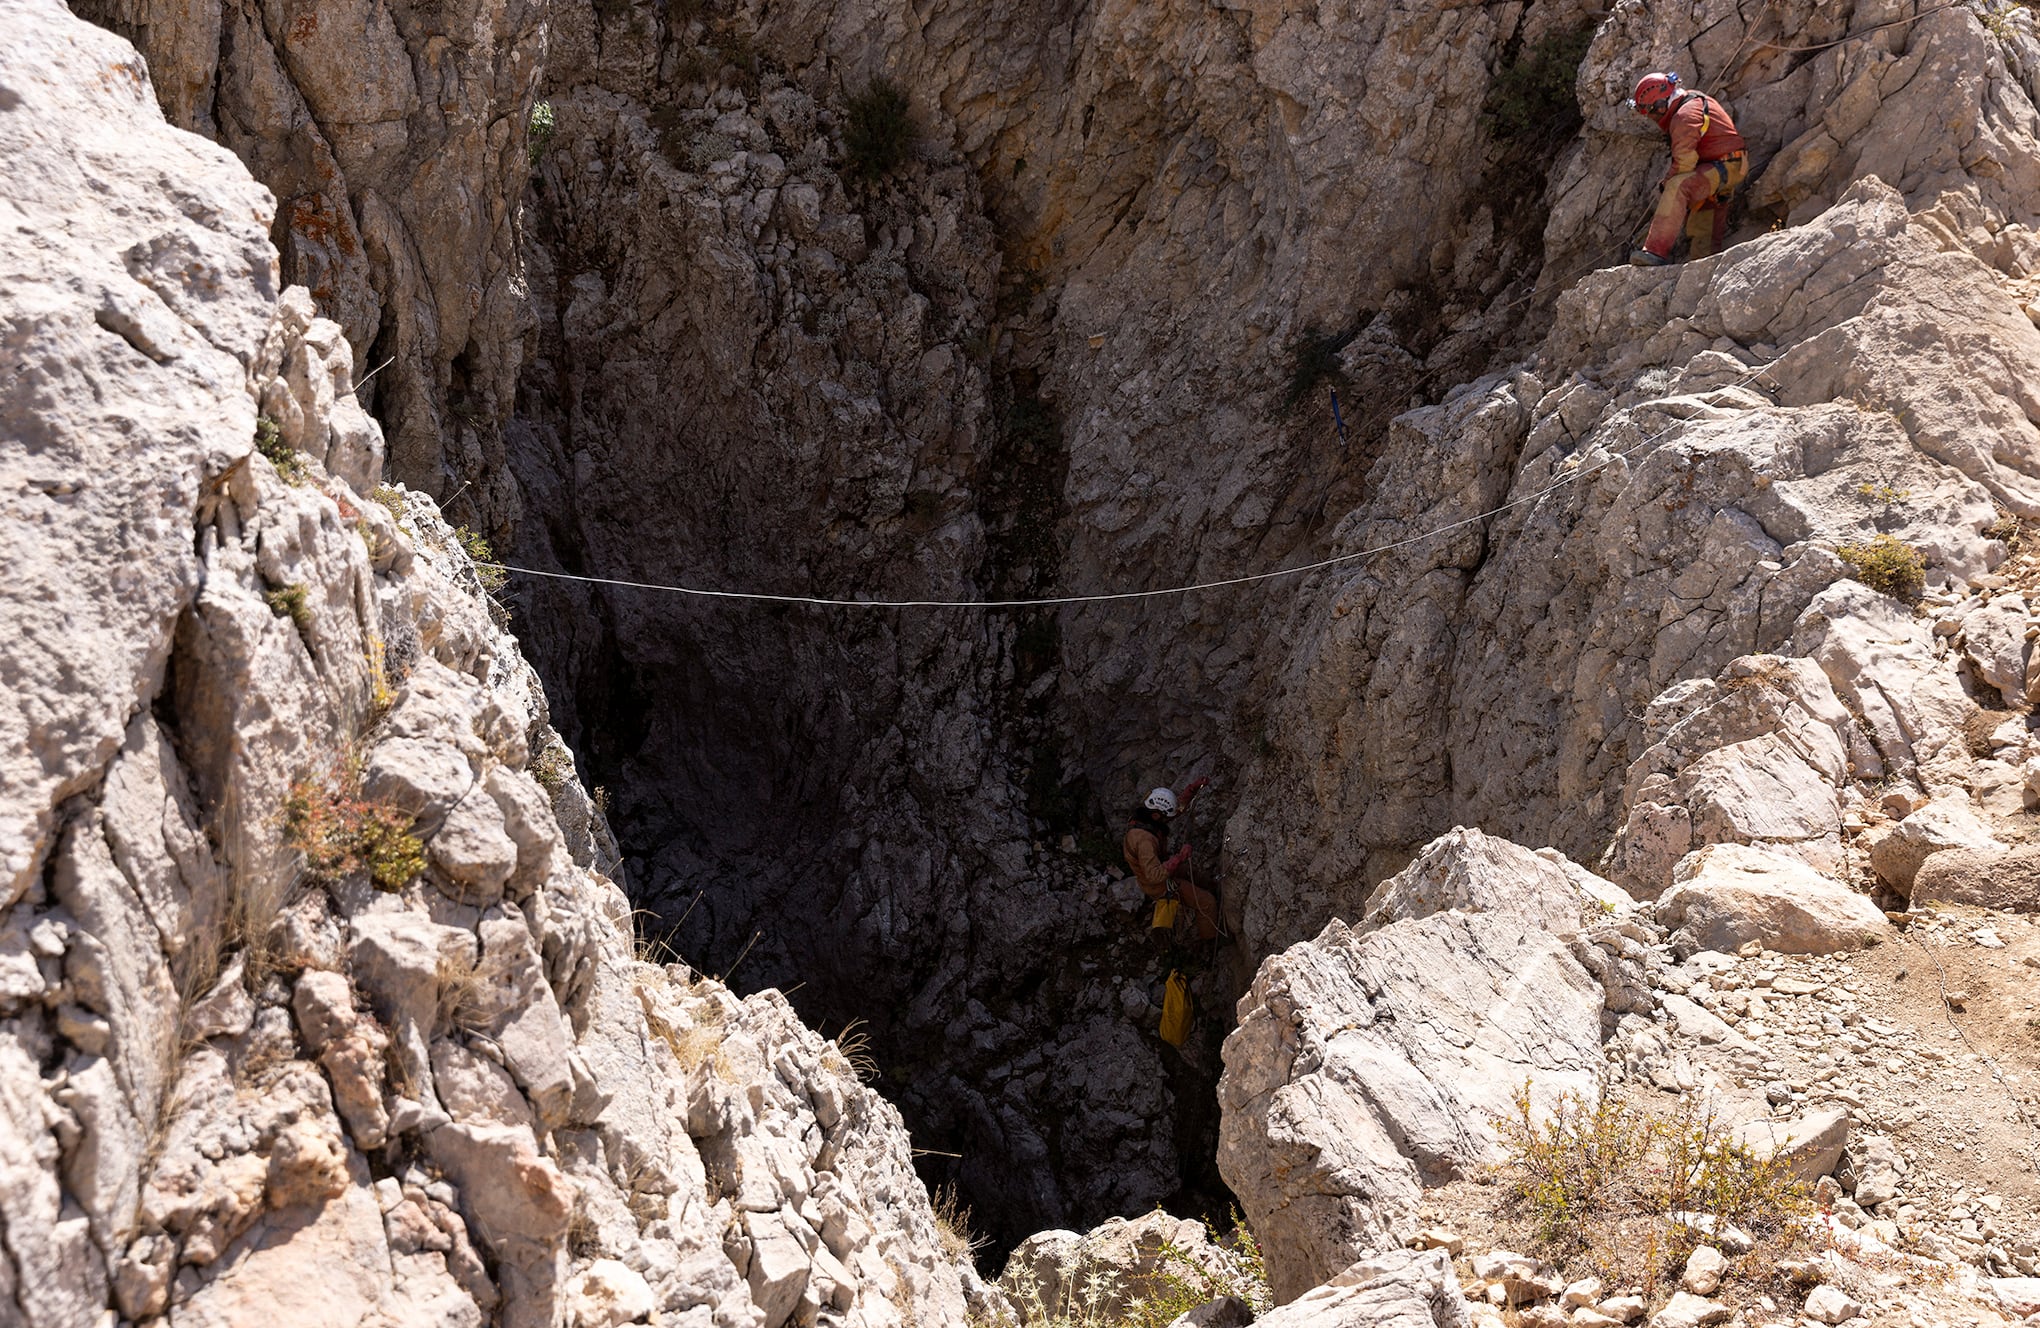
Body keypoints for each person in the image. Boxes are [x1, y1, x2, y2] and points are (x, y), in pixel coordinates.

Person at [1627, 72, 1748, 267]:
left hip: (1726, 166)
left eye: (1651, 113)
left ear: (1660, 105)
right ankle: (1705, 267)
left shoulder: (1684, 115)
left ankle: (1655, 251)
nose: (1651, 118)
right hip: (1723, 167)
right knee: (1703, 223)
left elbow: (1684, 162)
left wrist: (1667, 184)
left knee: (1678, 186)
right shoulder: (1692, 102)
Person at [1122, 779, 1226, 941]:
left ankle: (1215, 895)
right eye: (1164, 817)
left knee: (1199, 878)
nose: (1167, 820)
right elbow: (1154, 875)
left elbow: (1174, 811)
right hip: (1159, 884)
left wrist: (1190, 791)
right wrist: (1180, 857)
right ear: (1157, 815)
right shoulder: (1145, 841)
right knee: (1207, 902)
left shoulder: (1147, 815)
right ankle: (1210, 943)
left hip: (1162, 869)